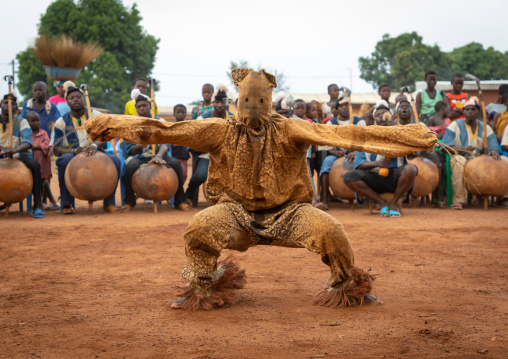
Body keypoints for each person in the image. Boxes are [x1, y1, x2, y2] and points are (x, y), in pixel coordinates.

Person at [87, 68, 436, 311]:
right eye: (246, 103)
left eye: (260, 103)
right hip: (235, 212)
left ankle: (347, 285)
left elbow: (347, 135)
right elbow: (165, 130)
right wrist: (113, 124)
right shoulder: (219, 129)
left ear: (270, 104)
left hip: (289, 213)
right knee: (200, 227)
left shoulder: (291, 128)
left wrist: (408, 137)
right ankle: (203, 284)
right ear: (238, 102)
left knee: (331, 231)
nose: (253, 110)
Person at [51, 85, 121, 214]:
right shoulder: (61, 122)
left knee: (115, 161)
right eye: (72, 98)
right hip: (73, 154)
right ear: (67, 102)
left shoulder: (96, 115)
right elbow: (56, 149)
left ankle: (109, 203)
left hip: (97, 150)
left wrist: (94, 145)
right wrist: (73, 151)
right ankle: (67, 204)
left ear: (83, 99)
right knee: (63, 161)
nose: (76, 100)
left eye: (78, 97)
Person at [343, 105, 418, 218]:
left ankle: (393, 203)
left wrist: (400, 137)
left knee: (411, 169)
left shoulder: (400, 133)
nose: (381, 117)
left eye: (384, 114)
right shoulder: (367, 137)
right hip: (374, 179)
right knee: (349, 176)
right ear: (375, 121)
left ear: (391, 118)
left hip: (396, 178)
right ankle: (381, 202)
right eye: (377, 115)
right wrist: (378, 164)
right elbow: (358, 165)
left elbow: (412, 155)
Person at [121, 94, 189, 212]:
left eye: (144, 105)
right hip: (141, 157)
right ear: (136, 109)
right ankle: (129, 202)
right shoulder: (132, 124)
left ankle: (180, 202)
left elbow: (166, 143)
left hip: (159, 156)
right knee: (130, 167)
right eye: (139, 106)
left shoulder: (160, 121)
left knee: (176, 165)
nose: (142, 108)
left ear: (150, 106)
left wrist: (159, 155)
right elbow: (129, 150)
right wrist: (140, 145)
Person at [442, 97, 508, 209]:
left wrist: (492, 151)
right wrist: (463, 148)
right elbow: (445, 147)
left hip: (481, 162)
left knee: (505, 160)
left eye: (473, 109)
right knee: (459, 161)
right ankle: (459, 200)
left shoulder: (486, 128)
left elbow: (492, 146)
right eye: (467, 109)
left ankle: (503, 197)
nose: (470, 112)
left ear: (477, 112)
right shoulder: (455, 125)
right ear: (463, 112)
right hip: (461, 158)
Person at [314, 95, 366, 210]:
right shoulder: (331, 124)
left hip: (356, 155)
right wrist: (334, 152)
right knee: (327, 163)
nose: (344, 107)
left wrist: (357, 152)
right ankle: (324, 199)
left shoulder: (360, 122)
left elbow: (365, 142)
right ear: (336, 109)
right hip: (337, 156)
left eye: (346, 105)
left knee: (367, 166)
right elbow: (326, 146)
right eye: (341, 105)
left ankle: (366, 197)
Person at [185, 85, 233, 206]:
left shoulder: (233, 118)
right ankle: (188, 194)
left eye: (222, 102)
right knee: (200, 175)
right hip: (207, 154)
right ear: (213, 103)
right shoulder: (203, 117)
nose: (220, 105)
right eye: (217, 102)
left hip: (228, 156)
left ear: (226, 103)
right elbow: (194, 135)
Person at [0, 94, 45, 218]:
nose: (9, 105)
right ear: (0, 105)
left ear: (17, 107)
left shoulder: (22, 121)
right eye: (6, 103)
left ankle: (37, 205)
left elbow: (27, 142)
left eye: (13, 103)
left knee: (35, 165)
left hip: (18, 156)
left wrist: (14, 150)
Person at [27, 111, 59, 211]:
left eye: (37, 120)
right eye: (33, 121)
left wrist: (33, 147)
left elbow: (47, 145)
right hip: (31, 163)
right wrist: (37, 147)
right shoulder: (27, 134)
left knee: (43, 181)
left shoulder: (43, 133)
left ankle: (46, 202)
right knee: (36, 182)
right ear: (27, 122)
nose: (36, 123)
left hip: (43, 163)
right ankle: (41, 202)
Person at [171, 104, 190, 182]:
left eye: (182, 112)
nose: (180, 114)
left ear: (185, 113)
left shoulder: (188, 127)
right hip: (173, 156)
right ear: (174, 114)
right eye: (178, 112)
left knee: (184, 174)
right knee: (173, 174)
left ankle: (180, 189)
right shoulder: (171, 127)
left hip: (183, 156)